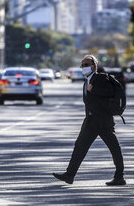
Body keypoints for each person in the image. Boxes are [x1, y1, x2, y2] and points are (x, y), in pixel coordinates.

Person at [53, 54, 125, 186]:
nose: (84, 67)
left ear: (94, 66)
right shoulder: (86, 81)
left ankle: (119, 177)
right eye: (82, 65)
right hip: (91, 120)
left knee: (114, 148)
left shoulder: (101, 78)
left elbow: (110, 93)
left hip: (103, 121)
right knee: (79, 146)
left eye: (86, 65)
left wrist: (95, 89)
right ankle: (69, 175)